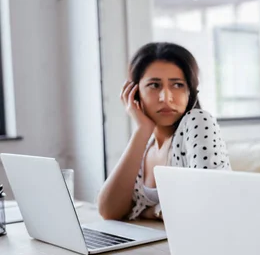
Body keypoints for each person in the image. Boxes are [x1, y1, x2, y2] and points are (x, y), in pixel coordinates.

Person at [98, 42, 230, 220]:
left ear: (190, 91)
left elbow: (211, 204)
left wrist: (149, 212)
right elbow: (108, 211)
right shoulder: (145, 144)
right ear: (134, 93)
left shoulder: (198, 121)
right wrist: (143, 130)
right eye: (154, 85)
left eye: (177, 85)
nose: (165, 98)